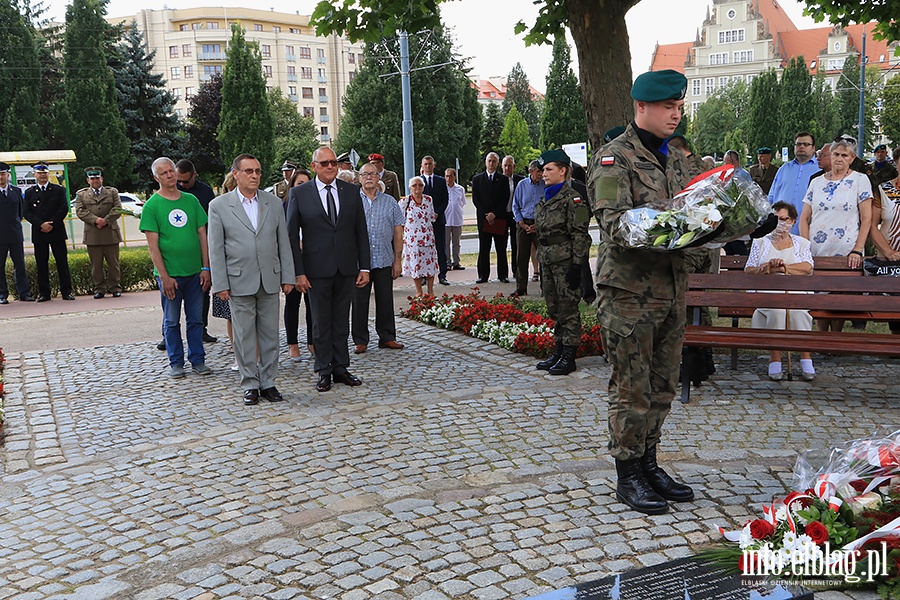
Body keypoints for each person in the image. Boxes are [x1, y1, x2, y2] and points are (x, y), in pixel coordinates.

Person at [589, 69, 695, 515]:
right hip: (630, 294)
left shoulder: (678, 160)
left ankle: (650, 462)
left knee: (663, 384)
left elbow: (701, 208)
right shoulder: (614, 160)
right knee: (632, 388)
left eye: (678, 106)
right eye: (668, 107)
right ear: (640, 108)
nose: (676, 114)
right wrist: (679, 227)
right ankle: (628, 474)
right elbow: (616, 223)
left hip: (671, 289)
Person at [208, 154, 295, 406]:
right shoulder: (219, 206)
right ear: (235, 174)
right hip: (238, 280)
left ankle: (268, 381)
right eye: (248, 171)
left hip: (269, 278)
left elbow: (283, 243)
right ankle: (250, 383)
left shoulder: (273, 203)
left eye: (257, 171)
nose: (254, 175)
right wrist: (220, 283)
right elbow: (216, 248)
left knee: (270, 334)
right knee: (244, 336)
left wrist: (287, 276)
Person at [287, 147, 371, 393]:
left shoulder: (351, 192)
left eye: (333, 162)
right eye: (324, 163)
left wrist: (364, 267)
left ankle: (341, 367)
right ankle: (323, 369)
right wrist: (298, 272)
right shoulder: (299, 194)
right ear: (314, 166)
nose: (330, 167)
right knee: (321, 323)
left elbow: (360, 233)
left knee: (340, 321)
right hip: (315, 270)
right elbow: (291, 236)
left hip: (346, 267)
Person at [140, 157, 212, 378]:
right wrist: (165, 277)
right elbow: (153, 247)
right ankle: (176, 362)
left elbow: (202, 235)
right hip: (170, 276)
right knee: (171, 321)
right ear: (156, 178)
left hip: (194, 274)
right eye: (164, 173)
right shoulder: (152, 206)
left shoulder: (191, 201)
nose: (170, 176)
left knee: (196, 319)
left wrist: (206, 268)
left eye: (171, 171)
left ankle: (197, 359)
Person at [800, 136, 873, 333]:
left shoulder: (860, 180)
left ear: (852, 158)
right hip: (818, 249)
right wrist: (805, 247)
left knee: (839, 296)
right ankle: (822, 338)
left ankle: (835, 338)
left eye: (844, 155)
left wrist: (858, 249)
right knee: (819, 295)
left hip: (847, 249)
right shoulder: (816, 182)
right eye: (835, 154)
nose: (839, 158)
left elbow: (867, 218)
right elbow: (804, 218)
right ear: (829, 156)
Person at [533, 150, 591, 375]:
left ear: (563, 171)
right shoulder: (545, 197)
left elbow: (580, 234)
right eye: (543, 170)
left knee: (568, 307)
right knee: (554, 306)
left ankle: (569, 354)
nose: (544, 174)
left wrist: (577, 266)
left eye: (548, 169)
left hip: (566, 261)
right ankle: (559, 348)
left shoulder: (573, 199)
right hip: (547, 260)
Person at [745, 201, 815, 381]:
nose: (780, 224)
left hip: (795, 291)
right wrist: (767, 267)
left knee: (797, 310)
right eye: (776, 220)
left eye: (784, 219)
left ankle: (805, 356)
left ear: (792, 221)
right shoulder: (760, 242)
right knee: (777, 310)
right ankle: (775, 357)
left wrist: (784, 268)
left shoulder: (802, 243)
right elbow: (749, 269)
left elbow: (807, 268)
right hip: (768, 291)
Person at [352, 162, 405, 354]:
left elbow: (398, 232)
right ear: (359, 178)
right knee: (359, 302)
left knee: (385, 300)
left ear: (378, 178)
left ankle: (387, 337)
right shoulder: (352, 201)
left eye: (372, 174)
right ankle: (360, 339)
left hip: (384, 259)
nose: (368, 178)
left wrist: (397, 260)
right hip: (360, 263)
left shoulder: (390, 202)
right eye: (365, 174)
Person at [176, 159, 218, 343]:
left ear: (194, 175)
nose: (182, 185)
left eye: (185, 181)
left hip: (202, 245)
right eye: (179, 181)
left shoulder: (205, 191)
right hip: (180, 247)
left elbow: (211, 222)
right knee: (174, 294)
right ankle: (169, 333)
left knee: (203, 289)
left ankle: (202, 329)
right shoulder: (173, 191)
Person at [23, 162, 74, 302]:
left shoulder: (58, 190)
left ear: (48, 174)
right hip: (39, 232)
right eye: (39, 173)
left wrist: (51, 223)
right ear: (34, 175)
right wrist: (41, 224)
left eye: (45, 173)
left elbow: (63, 208)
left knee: (62, 262)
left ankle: (66, 291)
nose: (43, 175)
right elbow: (26, 212)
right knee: (41, 263)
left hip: (56, 230)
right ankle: (44, 293)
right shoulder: (29, 192)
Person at [74, 166, 124, 299]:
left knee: (114, 264)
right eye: (92, 178)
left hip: (110, 232)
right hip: (93, 234)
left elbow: (118, 208)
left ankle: (115, 288)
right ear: (88, 180)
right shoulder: (82, 194)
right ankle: (99, 289)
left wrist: (106, 220)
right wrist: (96, 220)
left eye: (97, 178)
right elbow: (80, 211)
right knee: (96, 265)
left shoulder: (112, 192)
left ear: (102, 179)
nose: (95, 180)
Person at [284, 168, 314, 361]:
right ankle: (293, 344)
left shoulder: (316, 204)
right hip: (292, 260)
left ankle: (312, 342)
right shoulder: (284, 205)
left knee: (313, 305)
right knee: (293, 303)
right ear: (293, 186)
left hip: (313, 260)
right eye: (299, 184)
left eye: (306, 184)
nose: (303, 187)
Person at [871, 148, 900, 334]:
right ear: (896, 162)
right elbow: (872, 226)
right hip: (890, 260)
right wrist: (889, 252)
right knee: (895, 308)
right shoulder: (883, 190)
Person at [768, 132, 819, 235]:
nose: (801, 147)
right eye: (798, 144)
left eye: (806, 144)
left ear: (813, 148)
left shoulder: (820, 170)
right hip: (781, 225)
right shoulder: (784, 169)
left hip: (808, 227)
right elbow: (772, 196)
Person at [471, 152, 511, 284]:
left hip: (499, 218)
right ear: (485, 162)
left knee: (501, 248)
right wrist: (486, 214)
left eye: (494, 161)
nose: (491, 164)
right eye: (489, 161)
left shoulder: (503, 179)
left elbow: (505, 198)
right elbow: (475, 199)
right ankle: (483, 275)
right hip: (484, 219)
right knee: (484, 248)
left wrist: (494, 213)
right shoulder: (477, 179)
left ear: (497, 163)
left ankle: (503, 275)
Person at [511, 160, 545, 297]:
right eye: (538, 171)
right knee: (521, 257)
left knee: (543, 257)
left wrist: (539, 224)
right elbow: (515, 205)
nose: (540, 174)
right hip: (523, 224)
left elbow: (547, 206)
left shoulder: (545, 185)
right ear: (530, 172)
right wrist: (521, 223)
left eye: (541, 171)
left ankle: (545, 288)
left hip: (539, 224)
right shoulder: (522, 185)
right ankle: (521, 288)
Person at [0, 162, 33, 303]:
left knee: (19, 265)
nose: (1, 177)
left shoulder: (16, 191)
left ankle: (24, 293)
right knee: (0, 265)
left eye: (3, 174)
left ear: (8, 175)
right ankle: (2, 294)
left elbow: (20, 213)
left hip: (15, 233)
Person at [401, 176, 439, 297]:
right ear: (410, 187)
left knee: (430, 265)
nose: (417, 187)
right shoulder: (404, 201)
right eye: (414, 185)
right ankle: (418, 292)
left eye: (420, 185)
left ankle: (431, 291)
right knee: (416, 265)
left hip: (428, 238)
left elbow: (432, 216)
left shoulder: (429, 199)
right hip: (413, 240)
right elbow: (399, 221)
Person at [421, 156, 450, 285]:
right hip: (423, 223)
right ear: (422, 166)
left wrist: (437, 213)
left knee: (441, 248)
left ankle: (443, 275)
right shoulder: (418, 182)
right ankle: (423, 276)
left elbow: (445, 200)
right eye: (425, 164)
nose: (428, 166)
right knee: (424, 249)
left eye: (430, 164)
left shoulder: (441, 181)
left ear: (434, 165)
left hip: (439, 220)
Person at [502, 155, 525, 280]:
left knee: (516, 244)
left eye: (509, 166)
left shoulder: (520, 180)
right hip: (502, 215)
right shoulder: (498, 180)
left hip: (516, 215)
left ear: (514, 167)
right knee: (502, 245)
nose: (507, 168)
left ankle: (516, 271)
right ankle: (504, 274)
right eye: (505, 165)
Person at [444, 168, 466, 271]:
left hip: (457, 219)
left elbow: (462, 202)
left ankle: (456, 262)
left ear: (454, 177)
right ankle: (447, 262)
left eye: (450, 176)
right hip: (446, 220)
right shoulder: (443, 188)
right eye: (447, 176)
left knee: (456, 242)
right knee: (446, 242)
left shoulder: (460, 189)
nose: (448, 178)